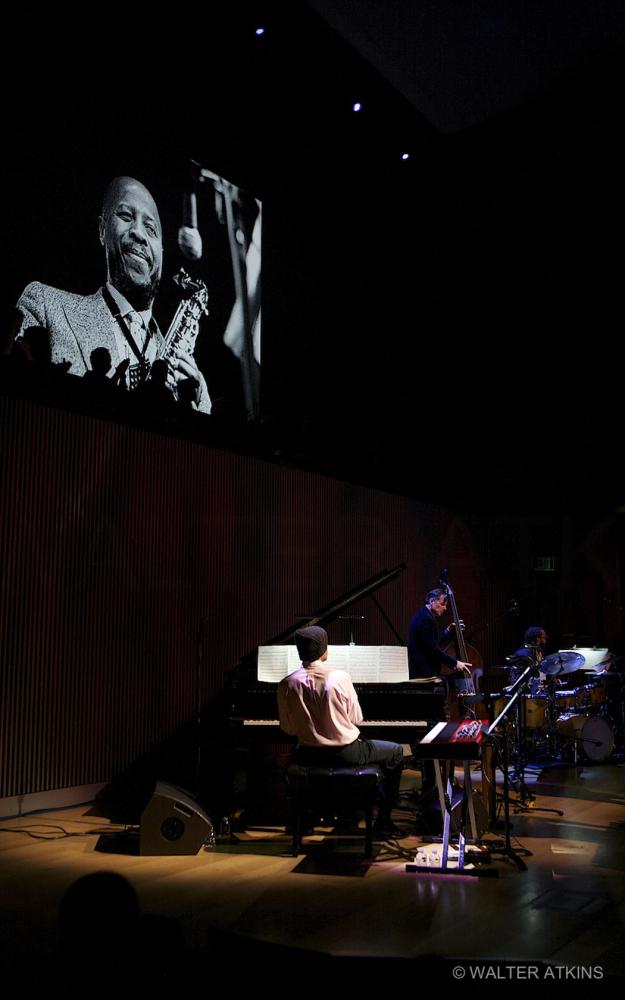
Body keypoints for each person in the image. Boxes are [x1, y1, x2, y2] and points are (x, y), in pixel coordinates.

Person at [15, 176, 211, 412]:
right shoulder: (44, 305)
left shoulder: (185, 373)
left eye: (151, 229)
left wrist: (199, 408)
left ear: (162, 252)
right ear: (102, 229)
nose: (138, 232)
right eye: (126, 216)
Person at [277, 625, 404, 834]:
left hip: (308, 755)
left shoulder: (286, 684)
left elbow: (288, 728)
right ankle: (383, 820)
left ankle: (307, 818)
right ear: (323, 650)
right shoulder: (339, 678)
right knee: (396, 752)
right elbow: (356, 718)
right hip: (345, 753)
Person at [408, 588, 472, 680]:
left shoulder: (423, 616)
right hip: (424, 674)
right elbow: (433, 650)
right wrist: (455, 663)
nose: (445, 608)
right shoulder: (426, 619)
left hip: (422, 672)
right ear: (432, 601)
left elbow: (433, 643)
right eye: (442, 604)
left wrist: (448, 631)